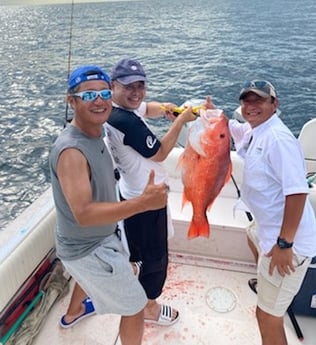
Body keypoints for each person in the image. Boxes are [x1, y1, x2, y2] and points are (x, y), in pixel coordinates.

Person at [49, 64, 169, 345]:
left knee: (101, 275)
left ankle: (73, 313)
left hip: (98, 238)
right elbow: (85, 214)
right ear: (72, 101)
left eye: (103, 93)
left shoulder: (96, 130)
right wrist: (142, 203)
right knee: (136, 305)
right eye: (89, 95)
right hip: (89, 249)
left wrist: (164, 109)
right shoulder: (72, 151)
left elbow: (141, 110)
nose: (99, 100)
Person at [103, 57, 197, 326]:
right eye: (128, 87)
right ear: (113, 86)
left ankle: (134, 288)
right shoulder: (126, 121)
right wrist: (181, 121)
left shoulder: (114, 109)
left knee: (138, 253)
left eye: (140, 85)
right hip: (145, 202)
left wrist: (168, 109)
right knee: (154, 258)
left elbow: (147, 108)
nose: (136, 92)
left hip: (131, 192)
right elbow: (160, 153)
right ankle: (150, 309)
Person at [228, 80, 316, 345]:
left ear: (274, 104)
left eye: (259, 100)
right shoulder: (257, 129)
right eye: (247, 101)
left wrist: (284, 244)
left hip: (289, 242)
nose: (251, 106)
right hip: (267, 228)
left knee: (267, 317)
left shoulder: (277, 139)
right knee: (249, 234)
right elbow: (234, 129)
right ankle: (266, 281)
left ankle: (274, 292)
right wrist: (204, 113)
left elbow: (298, 192)